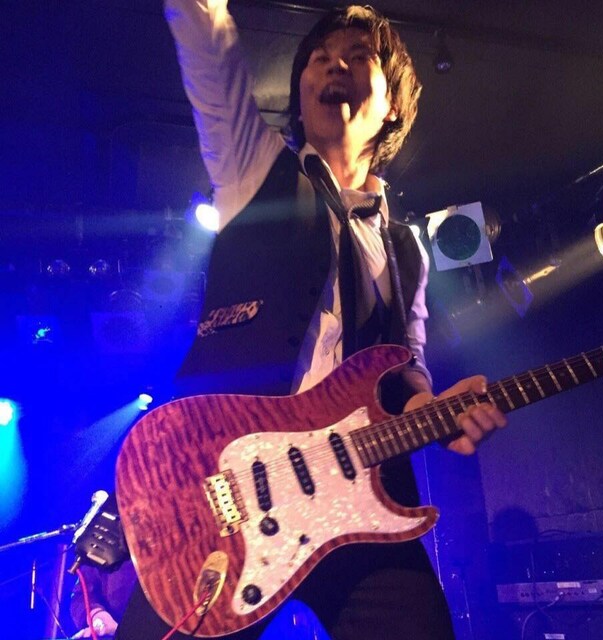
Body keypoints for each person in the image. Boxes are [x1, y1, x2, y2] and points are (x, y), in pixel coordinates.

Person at [115, 2, 507, 639]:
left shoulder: (406, 248)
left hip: (364, 497)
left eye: (357, 57)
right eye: (320, 58)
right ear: (300, 94)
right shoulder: (254, 169)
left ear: (393, 105)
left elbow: (405, 367)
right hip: (235, 490)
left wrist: (436, 411)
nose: (334, 66)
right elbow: (207, 42)